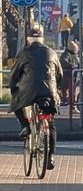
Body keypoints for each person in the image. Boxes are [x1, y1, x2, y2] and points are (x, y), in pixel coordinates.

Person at [8, 25, 63, 167]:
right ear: (42, 39)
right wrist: (57, 89)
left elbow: (14, 74)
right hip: (49, 93)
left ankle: (25, 126)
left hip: (28, 92)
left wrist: (13, 86)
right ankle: (50, 156)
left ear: (28, 40)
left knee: (17, 104)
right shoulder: (52, 53)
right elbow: (60, 75)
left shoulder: (23, 53)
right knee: (51, 124)